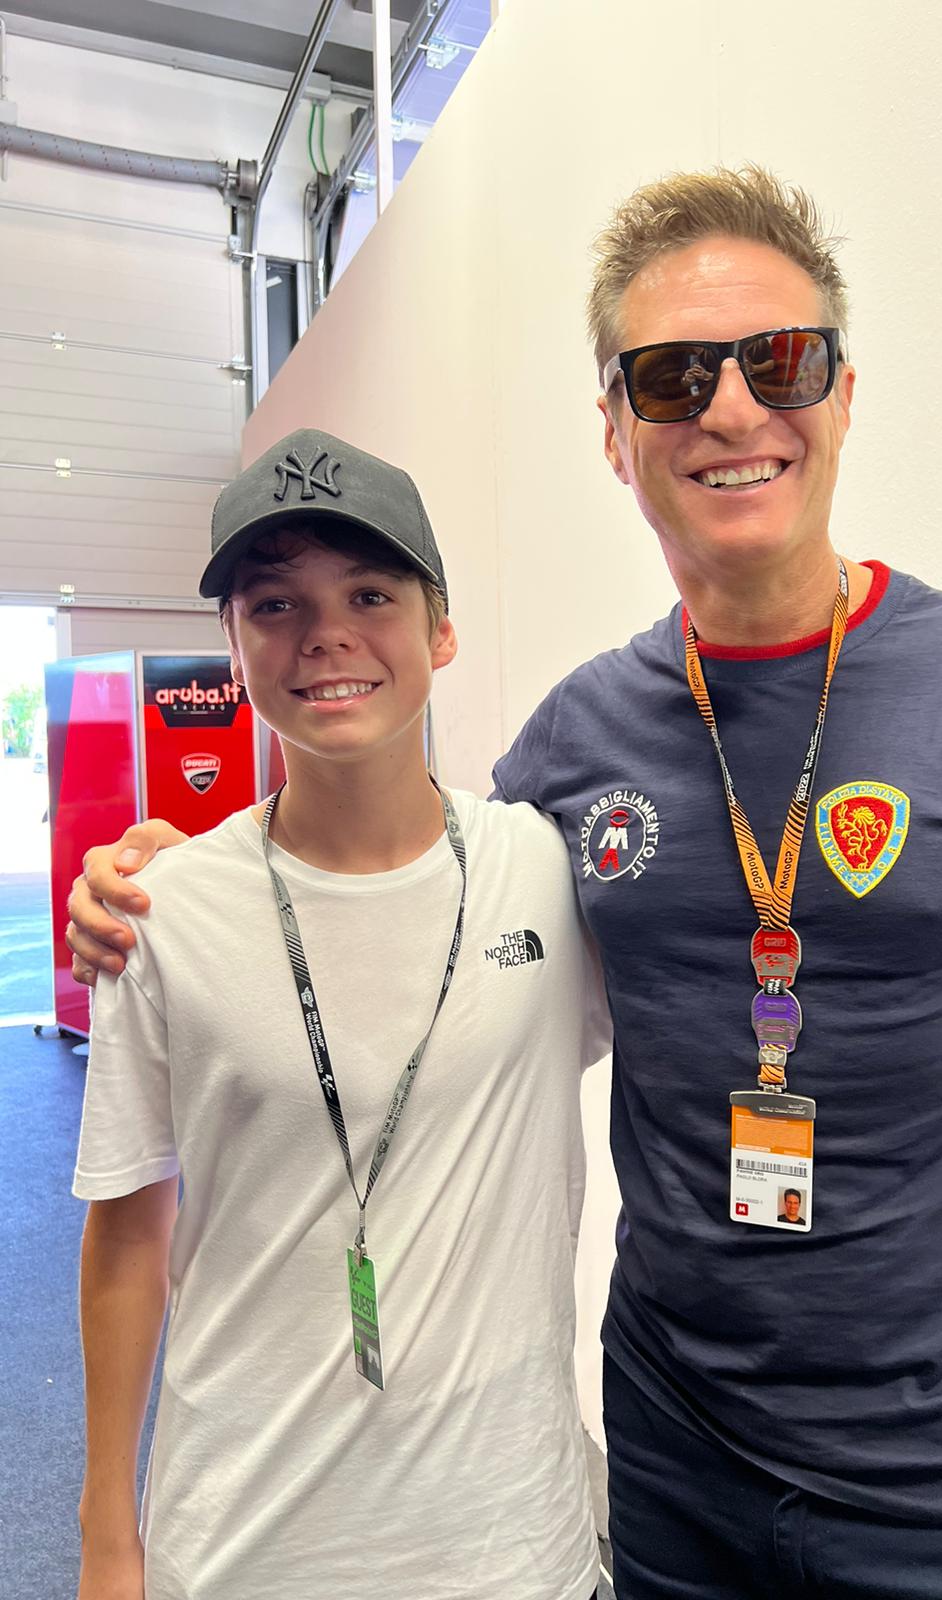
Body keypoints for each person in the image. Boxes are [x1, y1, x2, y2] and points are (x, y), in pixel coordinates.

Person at [68, 170, 942, 1599]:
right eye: (672, 376)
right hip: (676, 1478)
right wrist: (171, 878)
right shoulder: (575, 750)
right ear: (614, 431)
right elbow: (399, 893)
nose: (731, 408)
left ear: (844, 395)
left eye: (780, 360)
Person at [71, 429, 607, 1600]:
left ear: (441, 630)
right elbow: (126, 1233)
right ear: (233, 646)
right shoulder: (159, 910)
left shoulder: (543, 869)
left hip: (511, 1546)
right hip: (247, 1543)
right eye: (275, 604)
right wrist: (107, 1529)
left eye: (370, 594)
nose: (325, 634)